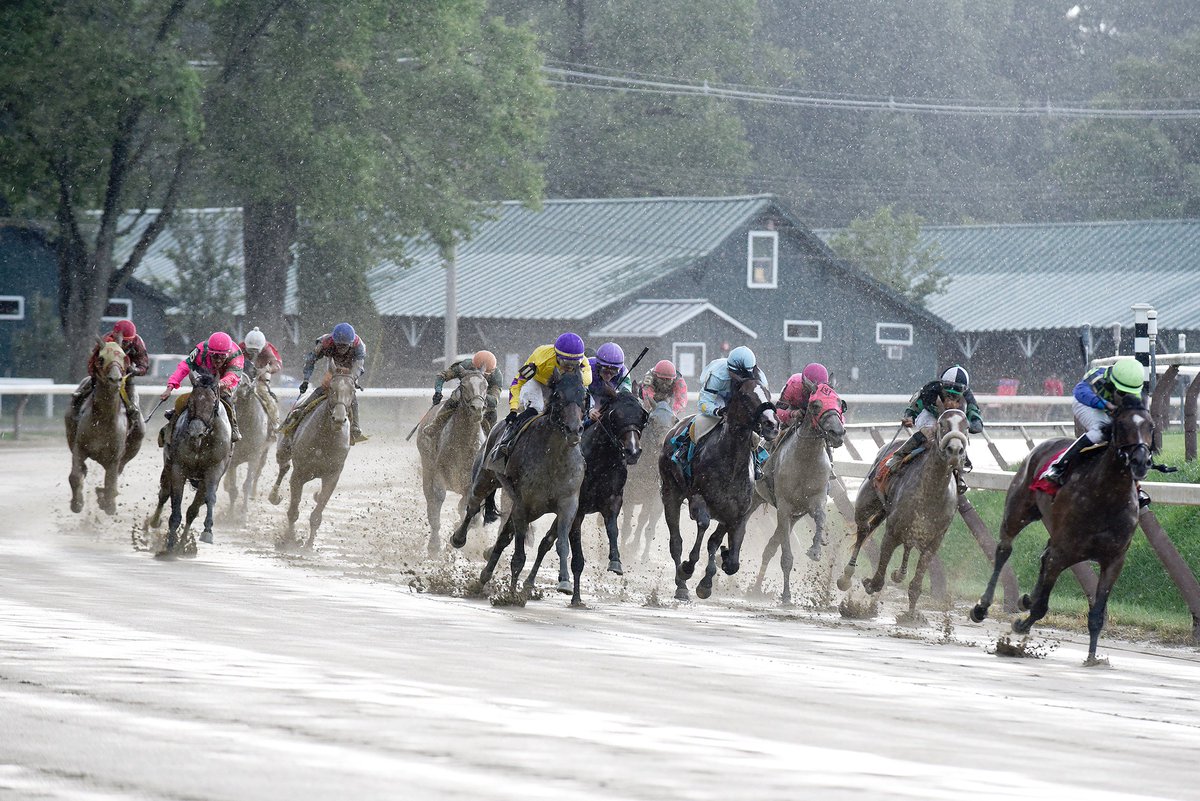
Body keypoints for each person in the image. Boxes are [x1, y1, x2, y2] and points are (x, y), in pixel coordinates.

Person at [1041, 357, 1145, 497]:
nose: (1126, 396)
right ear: (1113, 382)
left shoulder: (1133, 386)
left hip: (1110, 409)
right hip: (1086, 404)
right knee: (1099, 433)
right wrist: (1104, 404)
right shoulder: (1097, 377)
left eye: (1129, 393)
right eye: (1122, 392)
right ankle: (1059, 466)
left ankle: (1135, 487)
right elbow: (1079, 392)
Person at [668, 345, 771, 479]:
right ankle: (683, 449)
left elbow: (761, 404)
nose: (739, 379)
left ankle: (756, 460)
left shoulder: (760, 379)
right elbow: (703, 403)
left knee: (754, 435)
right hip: (719, 399)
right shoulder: (718, 374)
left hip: (741, 405)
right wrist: (718, 411)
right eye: (736, 375)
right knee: (700, 424)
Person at [882, 365, 984, 494]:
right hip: (931, 416)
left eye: (957, 390)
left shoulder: (968, 397)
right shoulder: (930, 390)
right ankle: (898, 456)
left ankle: (959, 473)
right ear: (941, 384)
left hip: (953, 421)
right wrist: (909, 418)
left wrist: (973, 424)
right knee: (929, 431)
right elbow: (913, 408)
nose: (952, 394)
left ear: (964, 390)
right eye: (948, 390)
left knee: (957, 436)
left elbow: (976, 418)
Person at [495, 332, 592, 458]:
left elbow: (587, 381)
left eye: (573, 364)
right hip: (538, 382)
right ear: (556, 356)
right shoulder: (540, 358)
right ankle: (507, 439)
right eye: (565, 363)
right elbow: (517, 382)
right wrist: (513, 410)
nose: (569, 367)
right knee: (538, 407)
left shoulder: (583, 363)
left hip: (563, 386)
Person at [281, 323, 368, 444]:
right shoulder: (325, 343)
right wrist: (306, 379)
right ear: (334, 341)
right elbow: (310, 361)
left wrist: (352, 380)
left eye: (345, 346)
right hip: (333, 366)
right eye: (339, 345)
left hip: (351, 369)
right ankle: (301, 411)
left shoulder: (359, 346)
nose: (342, 349)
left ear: (351, 343)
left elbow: (358, 367)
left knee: (348, 392)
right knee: (325, 387)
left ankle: (355, 427)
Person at [157, 331, 244, 446]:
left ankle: (233, 427)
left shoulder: (236, 356)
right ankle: (172, 424)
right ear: (209, 352)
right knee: (196, 397)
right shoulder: (199, 351)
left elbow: (232, 377)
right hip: (205, 376)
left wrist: (219, 384)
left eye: (222, 356)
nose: (218, 360)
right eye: (214, 356)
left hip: (226, 380)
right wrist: (170, 387)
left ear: (228, 354)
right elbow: (184, 367)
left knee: (226, 397)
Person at [70, 319, 150, 425]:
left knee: (130, 386)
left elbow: (144, 366)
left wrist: (134, 370)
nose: (124, 344)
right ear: (114, 336)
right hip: (106, 373)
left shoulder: (137, 342)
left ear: (132, 339)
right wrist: (97, 373)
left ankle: (133, 410)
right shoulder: (106, 340)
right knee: (92, 380)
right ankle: (79, 400)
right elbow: (93, 361)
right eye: (122, 340)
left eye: (127, 342)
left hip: (126, 375)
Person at [424, 350, 504, 440]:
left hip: (484, 396)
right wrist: (438, 392)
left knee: (492, 412)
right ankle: (436, 425)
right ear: (474, 366)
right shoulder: (464, 366)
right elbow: (442, 376)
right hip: (466, 391)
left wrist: (478, 396)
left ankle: (492, 438)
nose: (481, 374)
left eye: (486, 373)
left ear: (492, 371)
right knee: (453, 400)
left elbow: (494, 400)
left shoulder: (496, 376)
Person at [238, 326, 283, 434]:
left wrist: (267, 369)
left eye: (256, 351)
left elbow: (277, 364)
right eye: (250, 351)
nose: (253, 354)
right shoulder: (240, 347)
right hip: (243, 378)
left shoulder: (268, 349)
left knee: (266, 396)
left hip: (260, 378)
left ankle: (274, 425)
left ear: (262, 347)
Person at [587, 342, 633, 422]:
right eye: (605, 371)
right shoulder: (586, 367)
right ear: (598, 366)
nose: (608, 375)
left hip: (606, 402)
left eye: (613, 372)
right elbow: (581, 391)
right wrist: (590, 410)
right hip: (586, 400)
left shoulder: (624, 372)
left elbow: (626, 396)